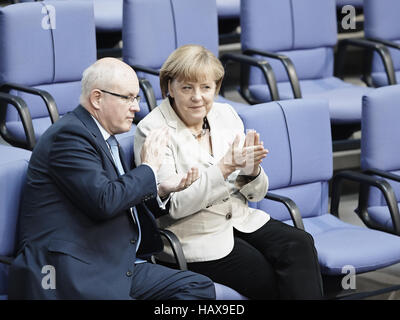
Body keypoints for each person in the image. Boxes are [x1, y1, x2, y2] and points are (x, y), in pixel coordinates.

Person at [8, 57, 216, 300]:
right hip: (76, 270)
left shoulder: (105, 137)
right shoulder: (69, 137)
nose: (136, 107)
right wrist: (148, 167)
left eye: (136, 98)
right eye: (127, 97)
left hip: (116, 263)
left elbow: (119, 196)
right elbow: (105, 201)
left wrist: (159, 190)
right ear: (97, 98)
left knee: (198, 287)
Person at [134, 44, 324, 300]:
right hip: (192, 235)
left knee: (300, 244)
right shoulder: (152, 129)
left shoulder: (226, 114)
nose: (197, 97)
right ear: (169, 87)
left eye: (206, 87)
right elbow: (174, 206)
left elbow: (257, 195)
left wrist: (251, 171)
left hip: (239, 219)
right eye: (187, 87)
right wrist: (224, 168)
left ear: (216, 88)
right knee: (264, 273)